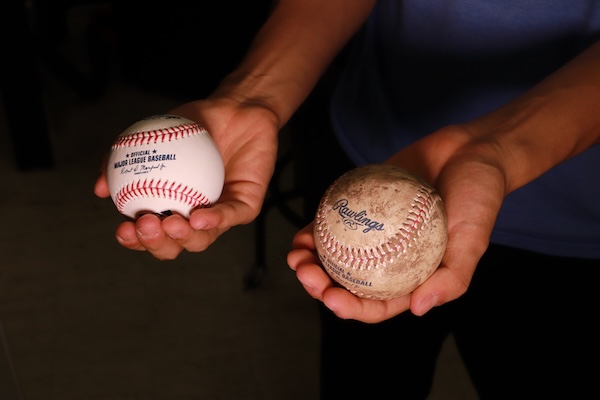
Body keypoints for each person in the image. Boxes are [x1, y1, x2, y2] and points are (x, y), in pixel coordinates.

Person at [95, 1, 600, 398]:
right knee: (363, 377)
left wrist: (499, 149)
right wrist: (255, 96)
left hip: (575, 224)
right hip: (366, 170)